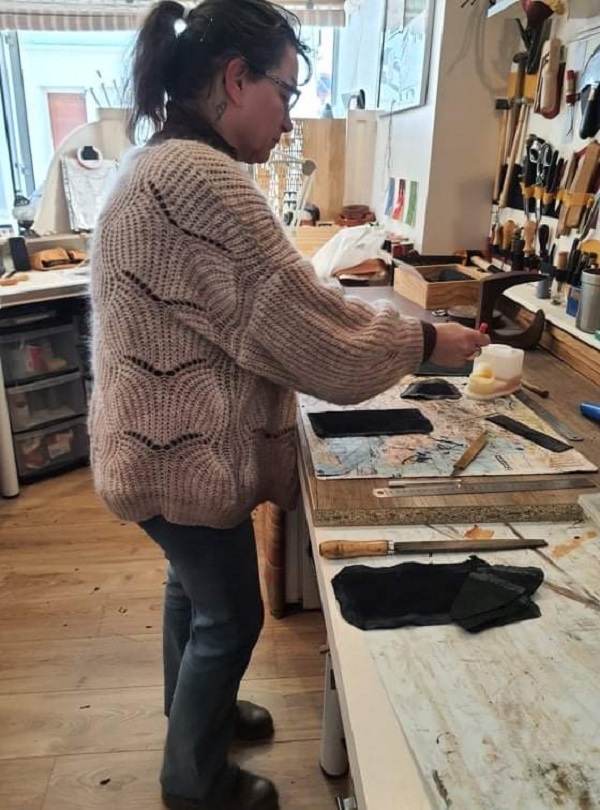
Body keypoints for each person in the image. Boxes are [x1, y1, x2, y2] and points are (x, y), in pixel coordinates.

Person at [88, 1, 490, 808]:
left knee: (192, 593)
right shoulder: (200, 179)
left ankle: (193, 717)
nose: (289, 118)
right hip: (179, 452)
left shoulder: (158, 161)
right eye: (286, 91)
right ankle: (192, 780)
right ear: (236, 80)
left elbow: (266, 311)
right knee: (230, 619)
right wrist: (425, 341)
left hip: (151, 445)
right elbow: (310, 333)